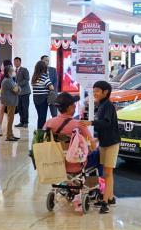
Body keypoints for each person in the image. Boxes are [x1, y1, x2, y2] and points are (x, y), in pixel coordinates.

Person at [81, 81, 120, 214]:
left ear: (105, 92)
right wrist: (96, 138)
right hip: (104, 142)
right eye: (94, 90)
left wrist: (90, 122)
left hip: (112, 143)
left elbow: (106, 123)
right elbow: (103, 126)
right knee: (107, 173)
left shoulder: (108, 105)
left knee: (107, 173)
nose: (94, 93)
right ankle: (109, 198)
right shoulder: (101, 105)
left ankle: (104, 203)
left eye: (97, 90)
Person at [43, 92, 97, 173]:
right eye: (74, 104)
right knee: (98, 155)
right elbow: (93, 145)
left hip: (55, 164)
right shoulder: (79, 124)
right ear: (69, 107)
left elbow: (43, 142)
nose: (75, 106)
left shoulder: (49, 123)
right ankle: (92, 184)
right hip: (76, 164)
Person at [32, 61, 55, 130]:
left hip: (36, 99)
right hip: (43, 99)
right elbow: (51, 87)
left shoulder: (34, 77)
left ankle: (39, 132)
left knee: (40, 116)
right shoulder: (44, 76)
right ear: (43, 68)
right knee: (43, 117)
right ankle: (41, 133)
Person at [1, 65, 20, 142]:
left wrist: (17, 87)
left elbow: (17, 89)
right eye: (13, 71)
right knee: (10, 119)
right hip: (10, 101)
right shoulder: (8, 80)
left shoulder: (9, 79)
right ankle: (9, 135)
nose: (14, 72)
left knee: (10, 119)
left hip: (11, 101)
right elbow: (16, 90)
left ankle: (11, 134)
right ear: (9, 72)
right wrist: (17, 86)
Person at [0, 59, 12, 136]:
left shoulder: (7, 76)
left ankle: (5, 129)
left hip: (6, 96)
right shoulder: (1, 75)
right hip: (3, 96)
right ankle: (0, 128)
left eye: (2, 65)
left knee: (6, 112)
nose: (1, 66)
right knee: (3, 111)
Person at [14, 57, 30, 128]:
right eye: (14, 61)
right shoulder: (14, 71)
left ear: (20, 62)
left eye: (17, 61)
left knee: (25, 108)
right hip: (18, 93)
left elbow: (27, 79)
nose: (15, 63)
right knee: (19, 108)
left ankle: (26, 122)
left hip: (25, 92)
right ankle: (21, 122)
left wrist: (18, 84)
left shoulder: (24, 70)